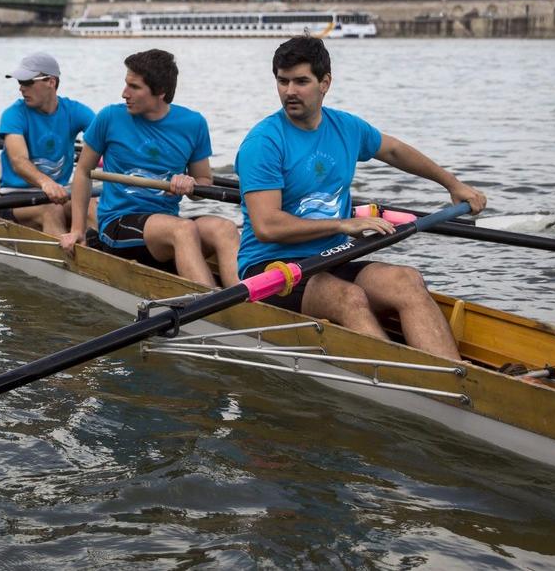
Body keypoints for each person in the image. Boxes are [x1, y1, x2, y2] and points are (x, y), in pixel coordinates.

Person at [234, 36, 484, 360]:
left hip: (331, 258)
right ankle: (405, 386)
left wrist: (453, 185)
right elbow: (267, 226)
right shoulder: (263, 143)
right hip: (271, 271)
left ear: (325, 83)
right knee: (348, 297)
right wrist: (342, 225)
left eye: (301, 81)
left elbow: (394, 150)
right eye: (282, 81)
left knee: (407, 280)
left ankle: (454, 382)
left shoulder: (346, 127)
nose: (289, 91)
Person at [61, 49, 237, 288]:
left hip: (164, 225)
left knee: (224, 228)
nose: (125, 93)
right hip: (118, 224)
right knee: (183, 230)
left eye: (134, 87)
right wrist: (77, 230)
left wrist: (191, 186)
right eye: (126, 84)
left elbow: (203, 181)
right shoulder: (110, 117)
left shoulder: (193, 124)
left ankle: (251, 305)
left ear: (160, 92)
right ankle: (212, 312)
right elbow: (83, 172)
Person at [0, 52, 95, 236]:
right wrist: (45, 182)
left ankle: (99, 254)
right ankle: (69, 261)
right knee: (52, 209)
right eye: (20, 82)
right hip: (15, 197)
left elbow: (106, 139)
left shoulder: (75, 111)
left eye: (27, 82)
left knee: (91, 206)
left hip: (58, 193)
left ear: (51, 81)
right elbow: (19, 161)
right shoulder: (13, 114)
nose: (21, 89)